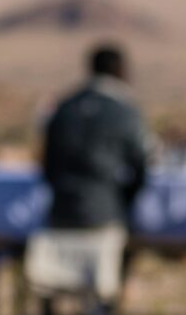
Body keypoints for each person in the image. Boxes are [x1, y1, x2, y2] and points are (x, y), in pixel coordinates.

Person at [40, 43, 150, 232]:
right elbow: (140, 165)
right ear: (121, 71)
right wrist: (124, 201)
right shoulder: (123, 111)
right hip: (105, 214)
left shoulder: (64, 108)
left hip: (61, 211)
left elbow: (48, 165)